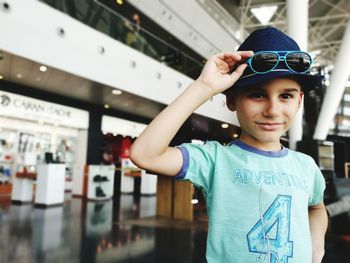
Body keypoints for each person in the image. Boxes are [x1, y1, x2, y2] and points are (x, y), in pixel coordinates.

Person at [130, 27, 328, 263]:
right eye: (258, 95)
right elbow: (145, 154)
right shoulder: (215, 160)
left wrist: (316, 249)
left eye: (286, 96)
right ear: (232, 100)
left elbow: (316, 208)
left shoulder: (306, 167)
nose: (272, 110)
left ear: (299, 101)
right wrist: (203, 87)